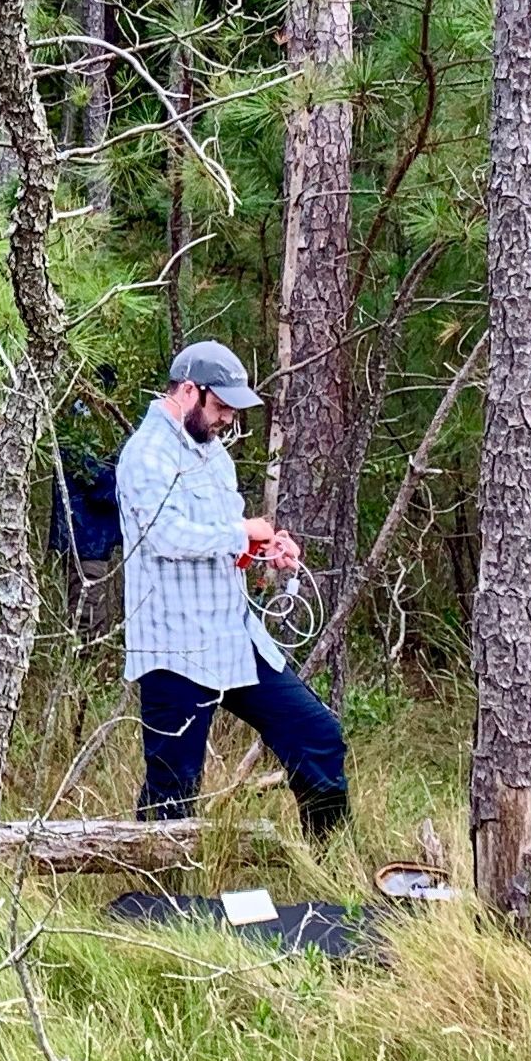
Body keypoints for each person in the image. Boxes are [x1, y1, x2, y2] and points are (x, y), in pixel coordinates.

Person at [114, 341, 350, 842]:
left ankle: (327, 869)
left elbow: (224, 541)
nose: (226, 420)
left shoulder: (213, 453)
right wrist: (245, 531)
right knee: (172, 792)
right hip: (175, 649)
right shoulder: (145, 455)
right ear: (187, 391)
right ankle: (157, 907)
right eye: (220, 406)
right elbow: (166, 536)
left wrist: (263, 552)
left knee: (317, 736)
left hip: (234, 640)